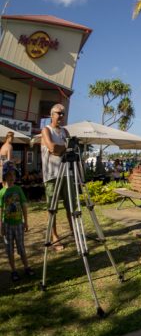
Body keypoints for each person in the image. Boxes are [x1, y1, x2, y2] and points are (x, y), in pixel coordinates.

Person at [41, 103, 72, 251]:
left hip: (66, 173)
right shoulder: (46, 130)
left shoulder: (65, 131)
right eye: (58, 113)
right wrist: (64, 148)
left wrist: (63, 149)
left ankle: (74, 232)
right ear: (51, 114)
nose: (61, 116)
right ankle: (54, 237)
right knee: (52, 209)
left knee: (71, 205)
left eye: (63, 114)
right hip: (52, 175)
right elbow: (52, 148)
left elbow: (71, 148)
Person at [0, 167, 33, 281]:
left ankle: (27, 267)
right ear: (5, 176)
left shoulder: (18, 189)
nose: (12, 177)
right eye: (10, 175)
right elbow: (0, 210)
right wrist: (1, 226)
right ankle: (13, 271)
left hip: (19, 224)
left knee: (21, 247)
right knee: (9, 249)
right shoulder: (2, 192)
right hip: (7, 225)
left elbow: (24, 206)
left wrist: (26, 222)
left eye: (14, 175)